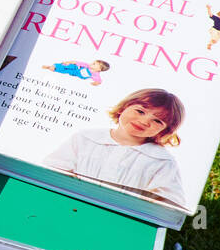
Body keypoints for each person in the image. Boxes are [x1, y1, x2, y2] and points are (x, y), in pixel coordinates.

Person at [42, 88, 188, 210]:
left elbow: (169, 200)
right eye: (140, 111)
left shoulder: (161, 160)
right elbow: (55, 168)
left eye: (157, 121)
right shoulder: (86, 138)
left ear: (164, 130)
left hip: (122, 215)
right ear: (124, 107)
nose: (144, 121)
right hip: (68, 203)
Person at [43, 59, 110, 85]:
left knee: (66, 71)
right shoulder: (87, 65)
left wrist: (95, 83)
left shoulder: (96, 75)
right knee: (70, 66)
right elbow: (77, 62)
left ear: (99, 69)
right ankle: (54, 66)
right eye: (93, 62)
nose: (91, 63)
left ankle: (55, 69)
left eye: (94, 64)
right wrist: (69, 62)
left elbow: (99, 81)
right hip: (77, 69)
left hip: (76, 74)